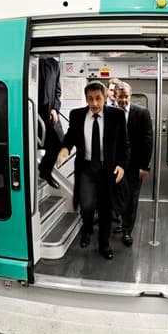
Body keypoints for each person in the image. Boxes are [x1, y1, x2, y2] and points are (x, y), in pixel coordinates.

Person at [57, 80, 128, 259]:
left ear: (105, 98)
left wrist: (121, 165)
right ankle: (87, 230)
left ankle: (104, 245)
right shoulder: (77, 115)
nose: (94, 104)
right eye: (90, 99)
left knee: (105, 209)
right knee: (87, 206)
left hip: (107, 169)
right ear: (86, 99)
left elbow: (124, 145)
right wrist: (65, 149)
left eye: (98, 98)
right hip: (86, 168)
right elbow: (70, 137)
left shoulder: (117, 116)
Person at [113, 82, 152, 247]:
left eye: (126, 97)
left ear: (131, 95)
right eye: (120, 97)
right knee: (119, 197)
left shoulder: (142, 113)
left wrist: (144, 166)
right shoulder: (110, 113)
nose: (123, 100)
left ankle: (128, 231)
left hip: (135, 165)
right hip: (115, 165)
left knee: (132, 198)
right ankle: (122, 221)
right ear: (115, 96)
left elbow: (148, 140)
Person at [37, 56, 63, 189]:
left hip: (49, 114)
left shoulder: (54, 64)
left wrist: (55, 109)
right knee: (33, 145)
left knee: (59, 143)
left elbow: (58, 92)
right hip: (33, 112)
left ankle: (45, 170)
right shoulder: (32, 60)